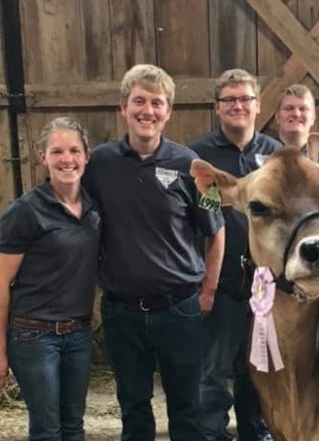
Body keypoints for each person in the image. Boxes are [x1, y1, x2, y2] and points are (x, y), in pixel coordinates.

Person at [83, 64, 225, 441]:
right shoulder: (97, 164)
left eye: (157, 103)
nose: (148, 110)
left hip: (179, 308)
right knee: (133, 405)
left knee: (187, 406)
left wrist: (208, 288)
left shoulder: (195, 166)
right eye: (139, 101)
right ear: (123, 108)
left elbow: (218, 230)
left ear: (169, 112)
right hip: (121, 310)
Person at [0, 117, 101, 441]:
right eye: (57, 151)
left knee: (73, 425)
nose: (67, 159)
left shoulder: (94, 207)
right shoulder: (24, 212)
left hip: (78, 334)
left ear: (86, 157)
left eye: (75, 150)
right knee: (47, 429)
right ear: (43, 158)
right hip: (34, 338)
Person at [189, 68, 280, 441]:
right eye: (229, 99)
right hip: (221, 285)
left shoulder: (275, 155)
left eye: (245, 99)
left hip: (266, 287)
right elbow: (196, 218)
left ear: (258, 105)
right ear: (217, 107)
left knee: (258, 371)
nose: (237, 106)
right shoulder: (198, 157)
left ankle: (254, 434)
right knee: (212, 373)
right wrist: (203, 283)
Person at [275, 83, 316, 152]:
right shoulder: (263, 157)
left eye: (303, 109)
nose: (296, 114)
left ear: (313, 118)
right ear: (277, 117)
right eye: (289, 108)